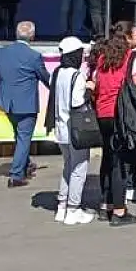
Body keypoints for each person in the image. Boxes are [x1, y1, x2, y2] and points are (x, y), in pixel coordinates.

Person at [90, 27, 136, 227]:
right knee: (120, 162)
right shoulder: (132, 58)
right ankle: (119, 211)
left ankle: (106, 204)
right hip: (120, 114)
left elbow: (96, 84)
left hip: (102, 113)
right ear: (127, 38)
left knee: (107, 157)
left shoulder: (102, 59)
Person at [0, 21, 49, 187]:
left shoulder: (1, 52)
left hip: (7, 104)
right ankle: (16, 175)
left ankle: (25, 163)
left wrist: (5, 93)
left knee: (19, 135)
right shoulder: (34, 56)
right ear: (32, 36)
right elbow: (45, 78)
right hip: (26, 104)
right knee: (23, 137)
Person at [45, 37, 95, 225]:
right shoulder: (77, 76)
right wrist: (89, 89)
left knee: (67, 166)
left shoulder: (56, 73)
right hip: (75, 130)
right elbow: (77, 102)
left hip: (60, 129)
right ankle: (73, 209)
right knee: (79, 169)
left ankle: (61, 206)